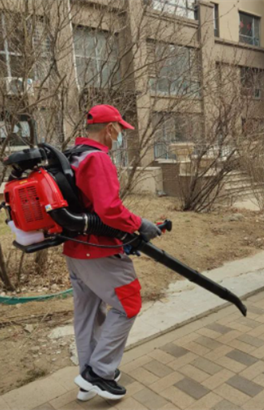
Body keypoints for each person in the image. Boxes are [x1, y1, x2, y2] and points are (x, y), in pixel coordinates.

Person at [64, 104, 162, 401]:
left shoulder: (74, 155)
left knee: (88, 313)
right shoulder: (98, 159)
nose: (120, 135)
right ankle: (100, 373)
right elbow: (108, 210)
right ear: (109, 129)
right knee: (127, 304)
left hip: (75, 249)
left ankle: (87, 377)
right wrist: (139, 224)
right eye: (120, 130)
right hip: (99, 250)